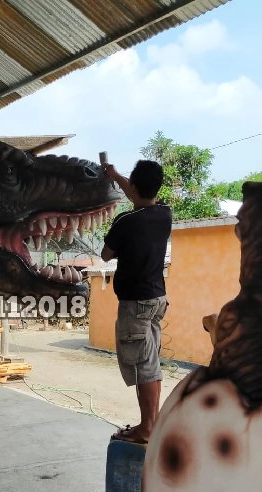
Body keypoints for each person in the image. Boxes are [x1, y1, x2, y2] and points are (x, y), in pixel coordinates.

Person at [100, 159, 172, 444]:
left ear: (134, 184)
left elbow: (106, 254)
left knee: (144, 367)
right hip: (157, 298)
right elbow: (138, 194)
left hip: (136, 303)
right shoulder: (164, 214)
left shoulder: (126, 222)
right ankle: (151, 424)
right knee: (150, 360)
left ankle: (146, 428)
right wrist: (115, 174)